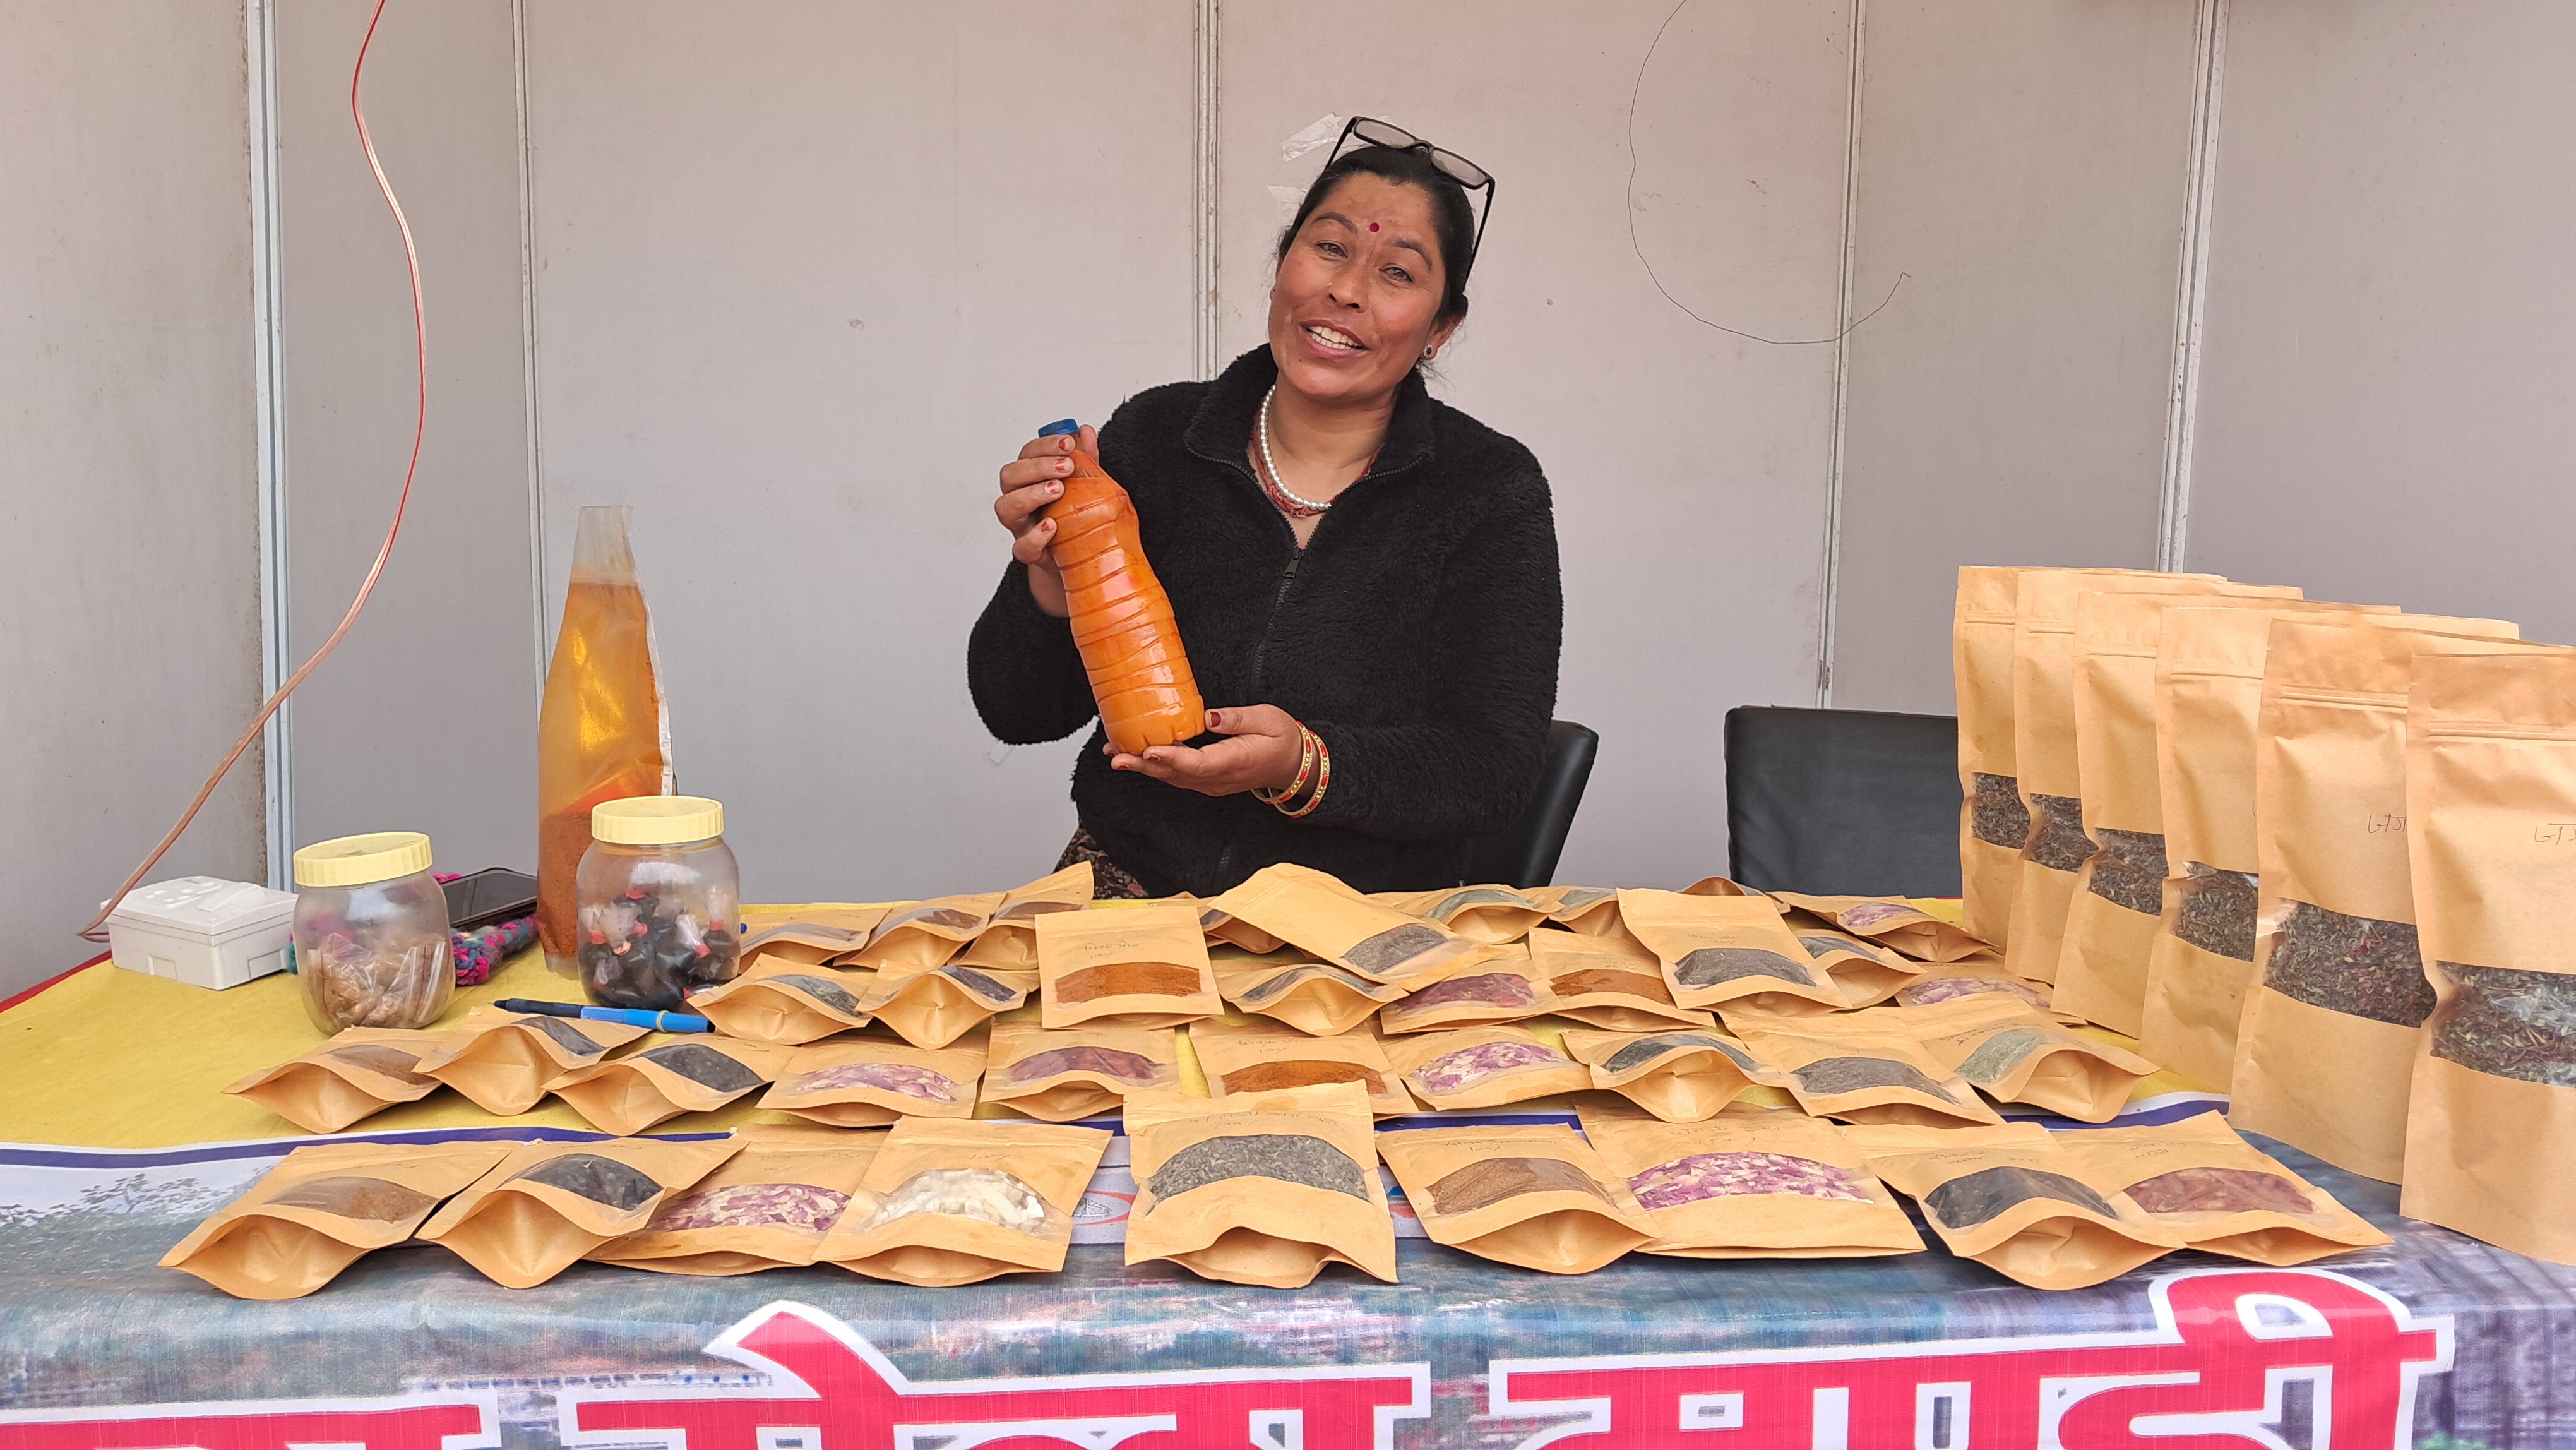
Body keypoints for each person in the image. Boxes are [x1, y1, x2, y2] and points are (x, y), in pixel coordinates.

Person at [969, 119, 1562, 899]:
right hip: (1127, 887)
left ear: (1440, 329)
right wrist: (1053, 581)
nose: (1346, 289)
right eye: (1330, 247)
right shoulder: (1154, 438)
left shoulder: (1488, 489)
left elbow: (1493, 770)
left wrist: (1301, 765)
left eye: (1398, 273)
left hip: (1363, 920)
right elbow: (1017, 712)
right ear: (1284, 262)